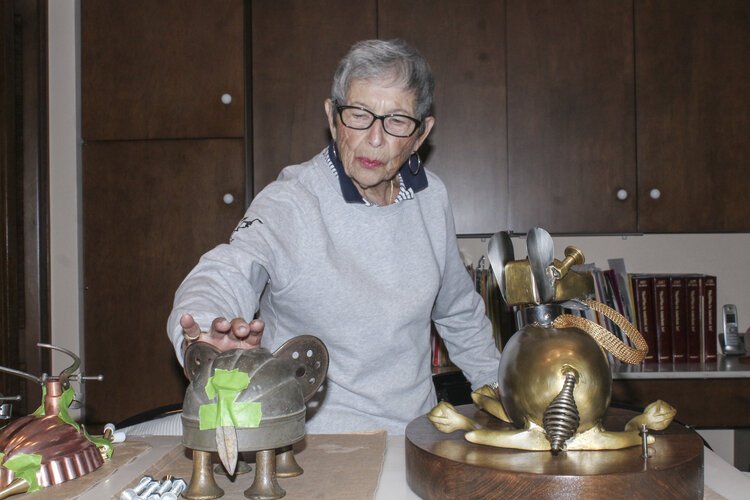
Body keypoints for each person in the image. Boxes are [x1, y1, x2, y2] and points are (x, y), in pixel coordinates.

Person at [167, 39, 502, 435]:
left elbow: (457, 310)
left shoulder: (432, 197)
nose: (375, 138)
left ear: (420, 133)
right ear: (332, 117)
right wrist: (206, 335)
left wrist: (503, 394)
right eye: (358, 114)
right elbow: (227, 270)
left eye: (396, 120)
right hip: (317, 445)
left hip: (417, 436)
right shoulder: (291, 201)